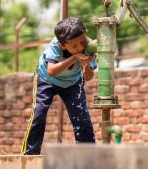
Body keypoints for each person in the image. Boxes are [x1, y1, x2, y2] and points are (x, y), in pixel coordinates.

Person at [21, 17, 96, 155]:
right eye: (74, 46)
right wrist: (74, 58)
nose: (80, 47)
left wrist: (86, 66)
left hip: (72, 82)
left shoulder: (90, 46)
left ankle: (88, 156)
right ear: (63, 45)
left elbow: (89, 77)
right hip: (46, 80)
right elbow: (51, 71)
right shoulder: (55, 45)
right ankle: (30, 155)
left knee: (81, 117)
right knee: (39, 113)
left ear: (85, 32)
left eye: (82, 42)